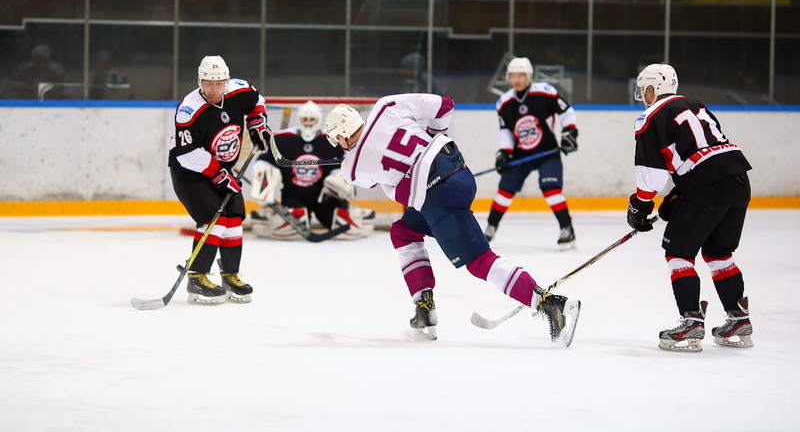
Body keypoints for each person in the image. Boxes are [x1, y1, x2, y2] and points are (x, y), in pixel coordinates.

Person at [323, 94, 581, 345]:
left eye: (337, 140)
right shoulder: (386, 106)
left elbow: (368, 181)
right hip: (457, 171)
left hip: (437, 197)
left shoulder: (351, 167)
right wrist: (432, 139)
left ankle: (549, 303)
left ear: (341, 135)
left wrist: (353, 156)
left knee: (480, 262)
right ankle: (423, 306)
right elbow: (445, 105)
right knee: (404, 231)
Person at [627, 63, 754, 352]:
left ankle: (691, 322)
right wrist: (681, 192)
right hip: (737, 179)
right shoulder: (695, 104)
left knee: (678, 252)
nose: (642, 96)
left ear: (651, 89)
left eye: (643, 89)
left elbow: (650, 172)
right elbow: (705, 148)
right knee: (718, 252)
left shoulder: (649, 117)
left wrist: (639, 206)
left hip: (707, 185)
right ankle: (738, 319)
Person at [168, 55, 271, 305]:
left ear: (226, 80)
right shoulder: (188, 110)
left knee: (234, 217)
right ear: (199, 81)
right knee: (214, 216)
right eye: (208, 83)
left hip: (222, 169)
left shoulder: (239, 89)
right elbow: (187, 153)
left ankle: (230, 275)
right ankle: (197, 277)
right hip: (190, 172)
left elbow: (257, 101)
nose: (214, 88)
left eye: (219, 82)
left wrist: (257, 123)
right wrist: (217, 173)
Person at [484, 57, 579, 249]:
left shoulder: (545, 92)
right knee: (505, 191)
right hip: (521, 155)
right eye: (513, 76)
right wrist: (504, 152)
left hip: (547, 152)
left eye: (521, 75)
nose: (517, 79)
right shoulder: (504, 102)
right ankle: (490, 229)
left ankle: (566, 229)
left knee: (551, 190)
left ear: (528, 76)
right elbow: (506, 131)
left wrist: (569, 132)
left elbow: (566, 113)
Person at [250, 100, 375, 240]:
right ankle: (271, 217)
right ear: (298, 119)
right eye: (305, 119)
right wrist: (263, 178)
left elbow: (342, 165)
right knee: (290, 226)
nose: (308, 123)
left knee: (348, 228)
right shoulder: (282, 139)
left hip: (323, 196)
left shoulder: (332, 140)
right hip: (293, 196)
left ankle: (349, 212)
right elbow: (265, 160)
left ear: (319, 120)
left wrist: (340, 180)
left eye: (312, 119)